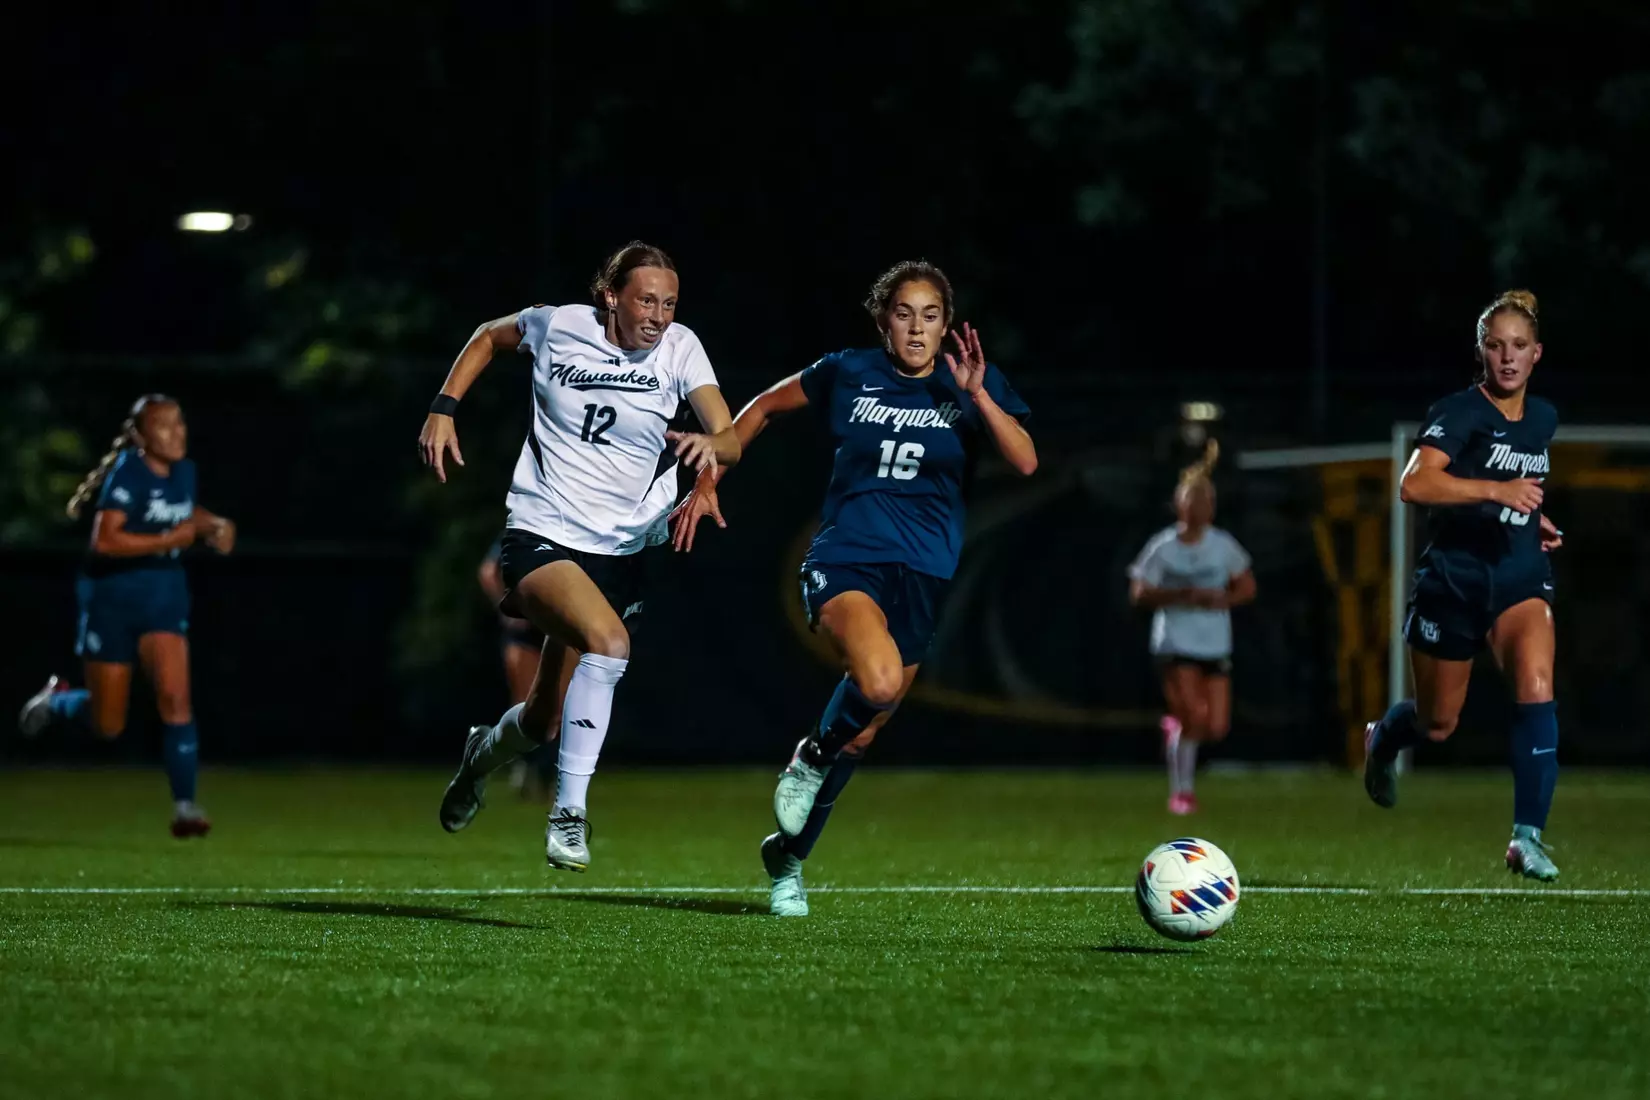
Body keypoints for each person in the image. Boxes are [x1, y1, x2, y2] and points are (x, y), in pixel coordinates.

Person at [670, 260, 1036, 916]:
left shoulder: (966, 383)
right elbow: (759, 410)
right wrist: (710, 474)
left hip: (924, 575)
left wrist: (980, 397)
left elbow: (1027, 459)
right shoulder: (848, 371)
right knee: (879, 680)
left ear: (947, 325)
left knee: (863, 736)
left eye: (930, 315)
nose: (917, 327)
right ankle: (807, 758)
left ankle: (787, 862)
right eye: (904, 313)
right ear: (882, 320)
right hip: (847, 559)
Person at [418, 241, 738, 872]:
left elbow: (727, 436)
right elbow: (486, 336)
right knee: (609, 643)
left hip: (619, 550)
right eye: (646, 299)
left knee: (541, 721)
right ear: (610, 294)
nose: (658, 314)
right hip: (543, 533)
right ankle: (569, 814)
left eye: (669, 302)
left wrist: (710, 455)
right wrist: (443, 406)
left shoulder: (681, 348)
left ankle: (480, 756)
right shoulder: (559, 324)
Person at [1363, 289, 1564, 880]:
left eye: (1519, 347)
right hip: (1452, 584)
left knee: (1535, 686)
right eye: (1497, 346)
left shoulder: (1544, 418)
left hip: (1519, 577)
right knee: (1438, 725)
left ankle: (1527, 838)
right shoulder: (1459, 412)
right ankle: (1382, 739)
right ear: (1482, 352)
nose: (1508, 358)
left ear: (1536, 354)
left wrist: (1533, 518)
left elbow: (1516, 483)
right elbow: (1415, 485)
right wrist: (1499, 494)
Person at [17, 394, 236, 837]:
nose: (177, 434)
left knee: (176, 700)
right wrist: (175, 536)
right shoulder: (127, 474)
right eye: (164, 427)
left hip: (163, 601)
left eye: (180, 423)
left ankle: (185, 806)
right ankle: (58, 700)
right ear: (139, 436)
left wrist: (214, 525)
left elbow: (181, 510)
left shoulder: (185, 471)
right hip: (111, 604)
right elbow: (106, 542)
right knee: (108, 724)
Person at [1128, 440, 1256, 815]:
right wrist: (1181, 594)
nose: (1200, 507)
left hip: (1214, 643)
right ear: (1179, 504)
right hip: (1175, 641)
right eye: (1193, 500)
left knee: (1215, 727)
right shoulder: (1163, 547)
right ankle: (1182, 791)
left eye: (1206, 501)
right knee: (1195, 718)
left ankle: (1175, 731)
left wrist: (1223, 600)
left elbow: (1247, 586)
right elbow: (1139, 592)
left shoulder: (1222, 546)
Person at [478, 537, 558, 800]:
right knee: (526, 702)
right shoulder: (517, 532)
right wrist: (506, 606)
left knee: (555, 704)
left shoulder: (564, 528)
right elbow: (488, 571)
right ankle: (523, 766)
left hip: (552, 626)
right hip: (527, 630)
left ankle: (547, 772)